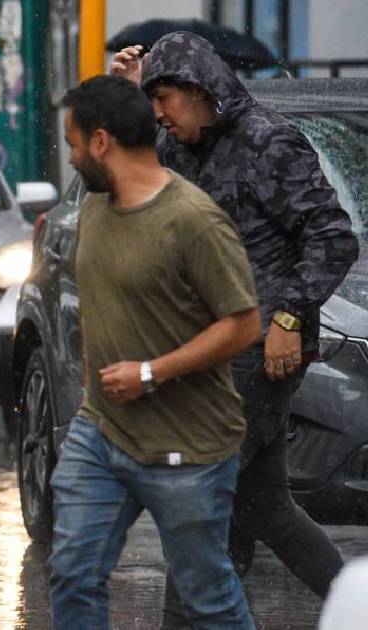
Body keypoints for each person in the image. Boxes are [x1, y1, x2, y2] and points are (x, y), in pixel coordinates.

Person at [111, 32, 358, 621]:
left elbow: (332, 237)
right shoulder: (182, 146)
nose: (160, 115)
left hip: (257, 348)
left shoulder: (268, 142)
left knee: (197, 504)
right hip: (211, 347)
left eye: (165, 99)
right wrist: (129, 96)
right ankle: (359, 607)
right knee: (264, 508)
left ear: (199, 89)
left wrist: (290, 317)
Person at [49, 75, 262, 628]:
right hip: (102, 431)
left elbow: (243, 325)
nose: (70, 159)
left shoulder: (194, 221)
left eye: (73, 143)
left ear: (101, 143)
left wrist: (151, 372)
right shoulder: (98, 203)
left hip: (187, 447)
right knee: (73, 573)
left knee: (206, 597)